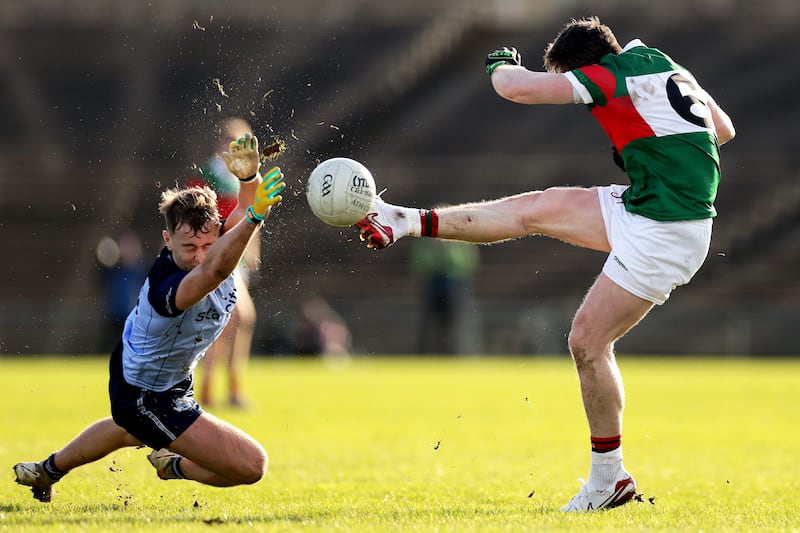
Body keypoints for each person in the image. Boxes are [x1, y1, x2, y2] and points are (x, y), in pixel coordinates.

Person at [355, 16, 735, 512]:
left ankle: (608, 479)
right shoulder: (664, 65)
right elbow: (723, 129)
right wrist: (654, 142)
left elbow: (516, 89)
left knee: (587, 342)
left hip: (668, 228)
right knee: (536, 207)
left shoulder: (611, 75)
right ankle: (402, 220)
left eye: (573, 80)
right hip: (650, 203)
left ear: (587, 66)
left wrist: (498, 63)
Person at [13, 132, 286, 503]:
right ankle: (172, 466)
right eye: (188, 246)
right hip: (147, 395)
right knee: (253, 465)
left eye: (208, 244)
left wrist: (248, 180)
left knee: (127, 430)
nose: (198, 255)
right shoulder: (169, 284)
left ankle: (46, 470)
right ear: (167, 240)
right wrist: (254, 217)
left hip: (161, 383)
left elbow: (239, 217)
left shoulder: (216, 243)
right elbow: (213, 273)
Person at [195, 118, 260, 408]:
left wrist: (252, 248)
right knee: (239, 317)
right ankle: (225, 390)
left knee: (230, 322)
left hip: (237, 256)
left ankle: (215, 390)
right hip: (220, 253)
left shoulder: (238, 176)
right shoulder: (212, 173)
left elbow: (250, 213)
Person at [410, 239, 479, 354]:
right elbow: (418, 264)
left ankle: (455, 352)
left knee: (455, 324)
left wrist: (446, 252)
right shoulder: (426, 242)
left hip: (455, 288)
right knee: (428, 325)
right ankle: (425, 353)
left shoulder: (461, 242)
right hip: (432, 288)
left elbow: (466, 264)